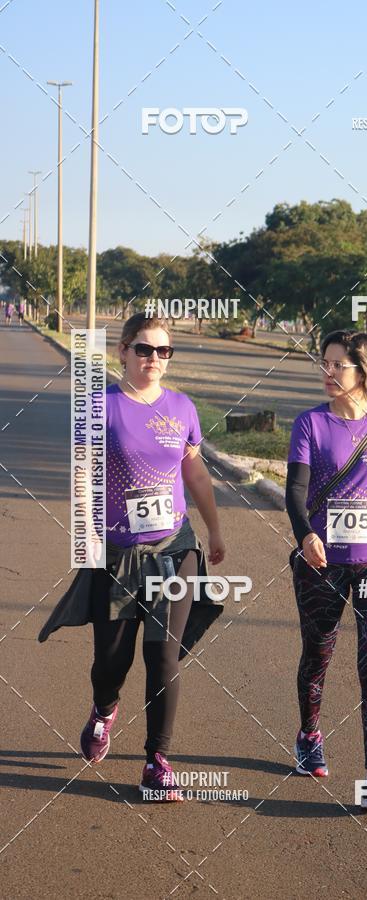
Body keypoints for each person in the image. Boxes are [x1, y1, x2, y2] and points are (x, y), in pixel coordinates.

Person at [39, 313, 226, 801]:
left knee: (163, 654)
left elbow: (196, 473)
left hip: (174, 548)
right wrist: (85, 535)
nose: (154, 360)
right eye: (144, 350)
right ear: (122, 351)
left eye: (164, 352)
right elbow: (82, 478)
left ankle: (156, 761)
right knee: (111, 660)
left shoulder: (182, 408)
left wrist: (215, 528)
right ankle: (104, 708)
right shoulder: (100, 406)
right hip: (120, 554)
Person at [285, 329, 367, 811]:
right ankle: (309, 735)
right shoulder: (309, 424)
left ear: (365, 371)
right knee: (318, 653)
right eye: (325, 362)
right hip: (323, 561)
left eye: (338, 364)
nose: (328, 371)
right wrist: (304, 535)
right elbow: (294, 491)